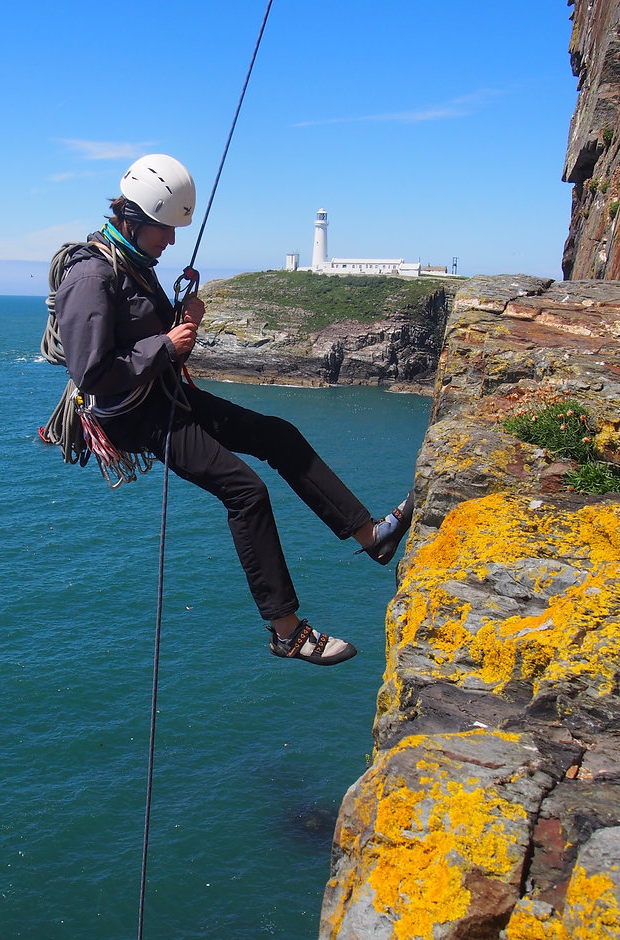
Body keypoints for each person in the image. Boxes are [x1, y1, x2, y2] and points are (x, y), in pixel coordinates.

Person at [54, 153, 413, 666]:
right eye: (164, 228)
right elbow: (91, 373)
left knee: (279, 435)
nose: (171, 240)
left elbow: (143, 340)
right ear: (133, 218)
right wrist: (167, 345)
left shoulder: (132, 264)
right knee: (246, 492)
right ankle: (287, 632)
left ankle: (371, 535)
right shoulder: (92, 275)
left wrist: (181, 323)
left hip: (164, 395)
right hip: (137, 415)